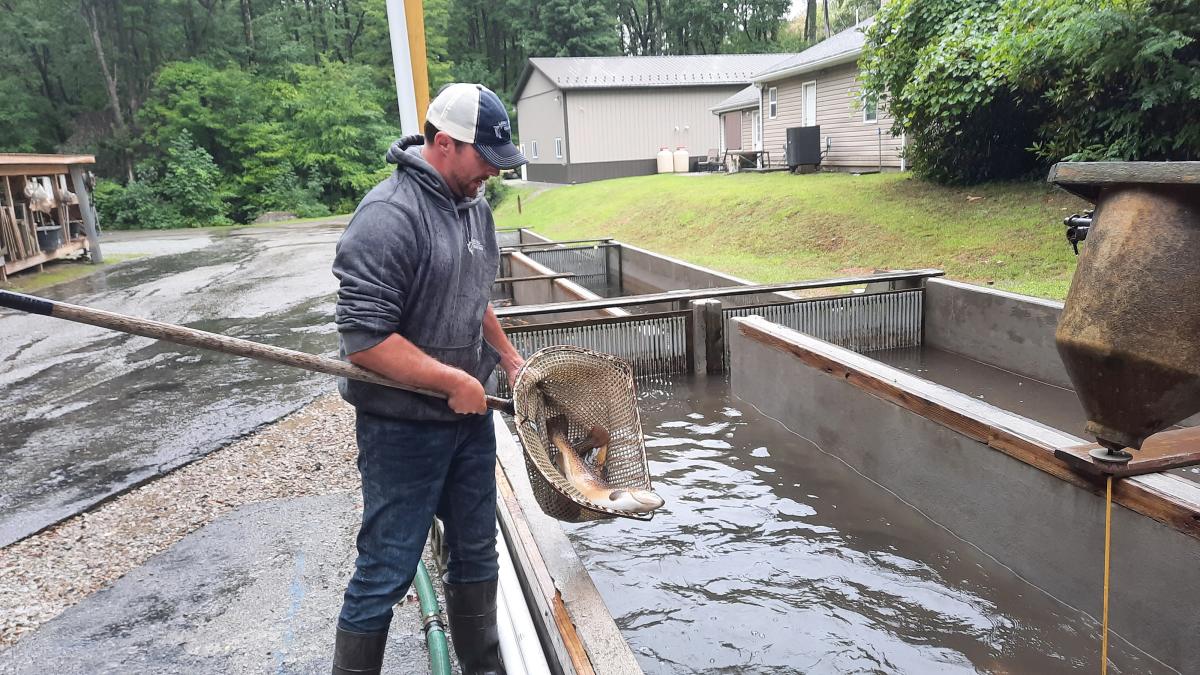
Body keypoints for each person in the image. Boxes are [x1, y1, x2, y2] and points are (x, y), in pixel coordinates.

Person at [330, 83, 526, 675]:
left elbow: (474, 293)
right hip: (402, 428)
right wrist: (449, 379)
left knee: (476, 554)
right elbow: (364, 340)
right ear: (444, 143)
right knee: (386, 568)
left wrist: (507, 357)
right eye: (484, 158)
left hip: (468, 423)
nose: (492, 170)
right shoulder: (388, 216)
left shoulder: (476, 206)